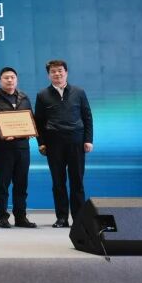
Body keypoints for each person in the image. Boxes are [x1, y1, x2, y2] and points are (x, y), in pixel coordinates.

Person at [35, 59, 94, 228]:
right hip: (54, 144)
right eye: (53, 71)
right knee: (58, 182)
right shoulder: (42, 95)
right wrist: (41, 143)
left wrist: (88, 140)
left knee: (77, 182)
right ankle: (61, 218)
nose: (57, 74)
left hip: (76, 142)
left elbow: (87, 117)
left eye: (60, 71)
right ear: (49, 75)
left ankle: (79, 218)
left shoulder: (79, 92)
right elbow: (38, 122)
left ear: (66, 72)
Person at [0, 67, 38, 229]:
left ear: (16, 79)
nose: (9, 80)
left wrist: (31, 130)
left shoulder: (24, 97)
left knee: (21, 184)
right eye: (6, 77)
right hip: (3, 148)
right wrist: (1, 132)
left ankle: (21, 217)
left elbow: (30, 118)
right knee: (3, 184)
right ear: (0, 80)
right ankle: (3, 217)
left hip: (23, 148)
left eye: (12, 77)